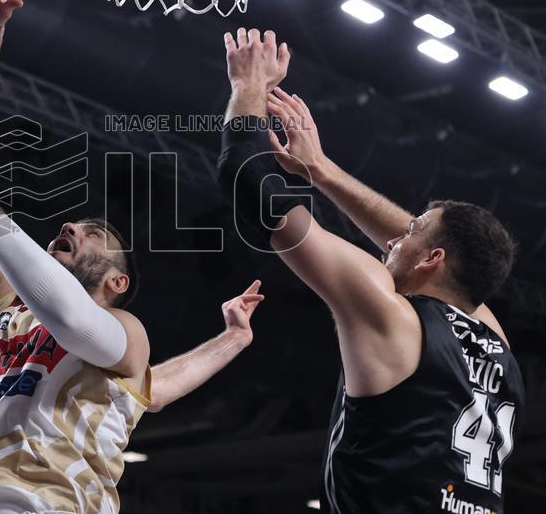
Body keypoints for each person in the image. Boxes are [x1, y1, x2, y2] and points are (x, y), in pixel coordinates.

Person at [0, 0, 264, 514]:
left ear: (117, 281)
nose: (71, 223)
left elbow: (73, 320)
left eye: (95, 232)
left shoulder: (125, 333)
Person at [216, 28, 524, 513]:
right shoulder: (496, 343)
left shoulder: (393, 315)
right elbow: (448, 252)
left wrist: (247, 88)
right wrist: (321, 170)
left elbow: (252, 185)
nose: (394, 237)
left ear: (433, 259)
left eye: (411, 230)